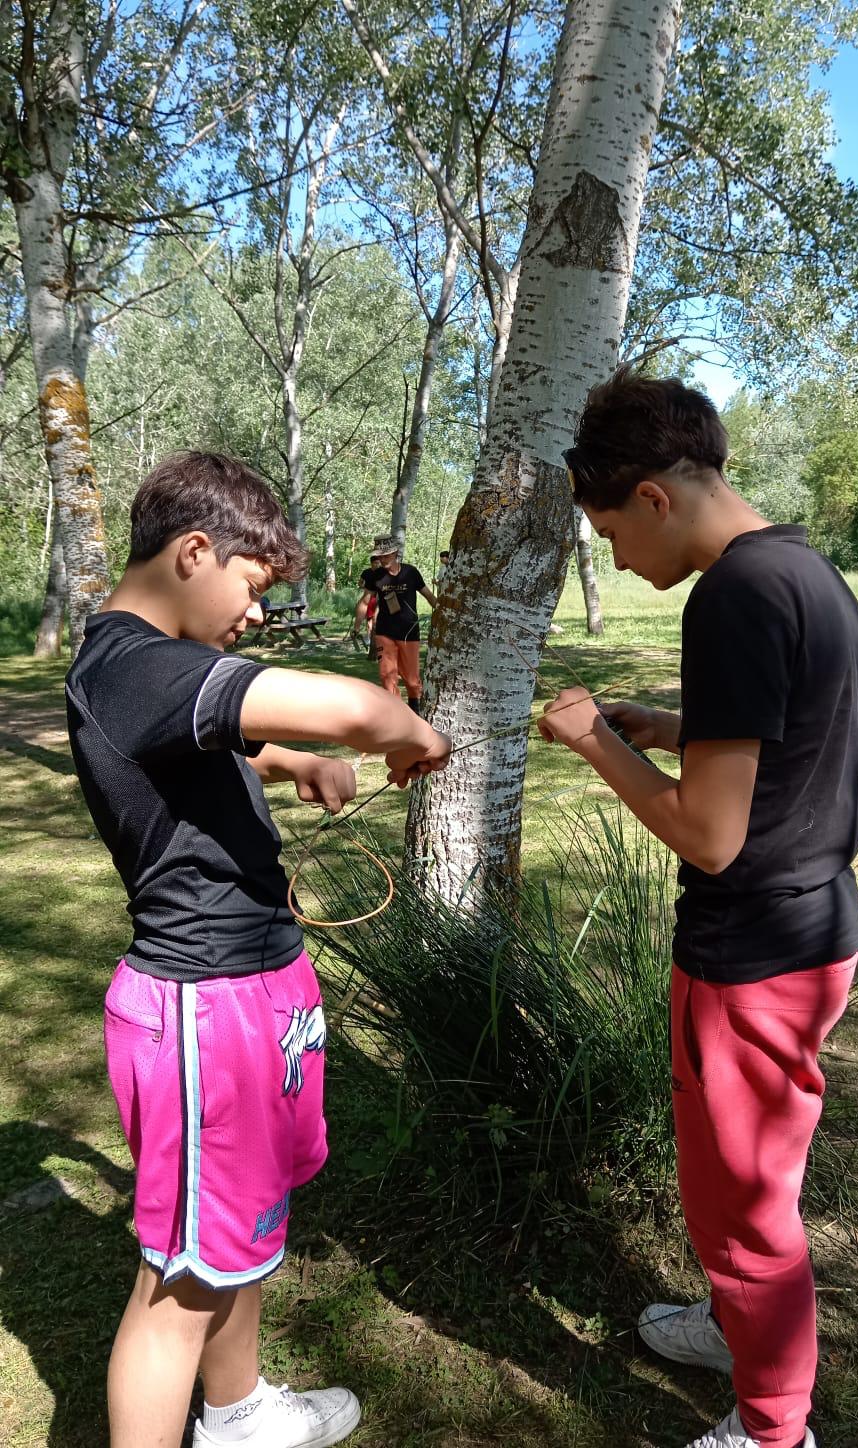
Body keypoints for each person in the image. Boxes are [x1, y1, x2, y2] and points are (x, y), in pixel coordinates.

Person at [65, 453, 451, 1448]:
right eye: (250, 585)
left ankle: (237, 1413)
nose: (254, 612)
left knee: (240, 1227)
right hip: (203, 1008)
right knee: (180, 1283)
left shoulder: (157, 666)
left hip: (254, 988)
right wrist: (402, 730)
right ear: (194, 551)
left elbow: (217, 740)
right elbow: (357, 706)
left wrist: (297, 762)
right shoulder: (132, 664)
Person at [540, 370, 858, 1448]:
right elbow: (794, 731)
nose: (617, 560)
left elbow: (710, 833)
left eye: (610, 535)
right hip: (816, 928)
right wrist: (672, 726)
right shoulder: (804, 568)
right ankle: (739, 1328)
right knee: (750, 1184)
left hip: (751, 953)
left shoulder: (728, 596)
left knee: (745, 1211)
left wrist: (599, 741)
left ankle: (773, 1429)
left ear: (653, 496)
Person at [359, 535, 437, 713]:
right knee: (387, 676)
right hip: (384, 632)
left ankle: (415, 712)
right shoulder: (376, 576)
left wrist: (442, 612)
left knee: (412, 680)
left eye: (386, 555)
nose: (382, 559)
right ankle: (396, 714)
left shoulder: (411, 572)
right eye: (379, 556)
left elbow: (429, 596)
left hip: (409, 632)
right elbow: (365, 601)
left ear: (395, 553)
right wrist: (357, 625)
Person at [350, 552, 380, 647]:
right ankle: (355, 634)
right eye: (375, 563)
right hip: (366, 597)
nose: (377, 565)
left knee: (370, 620)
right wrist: (363, 586)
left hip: (374, 598)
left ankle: (369, 638)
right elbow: (360, 582)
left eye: (378, 563)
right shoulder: (366, 572)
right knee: (359, 619)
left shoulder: (381, 572)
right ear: (371, 563)